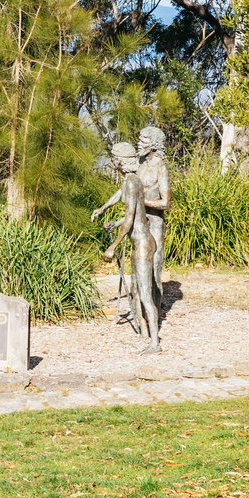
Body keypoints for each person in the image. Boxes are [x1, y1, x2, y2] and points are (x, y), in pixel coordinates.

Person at [101, 142, 161, 353]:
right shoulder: (131, 180)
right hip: (144, 240)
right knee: (140, 290)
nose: (112, 161)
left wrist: (113, 246)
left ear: (120, 161)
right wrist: (104, 209)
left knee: (145, 293)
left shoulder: (132, 182)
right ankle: (146, 333)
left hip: (143, 244)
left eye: (114, 157)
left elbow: (129, 220)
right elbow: (134, 212)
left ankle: (155, 343)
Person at [136, 126, 171, 288]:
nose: (139, 143)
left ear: (154, 144)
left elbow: (165, 203)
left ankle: (156, 307)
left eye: (144, 140)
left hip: (155, 223)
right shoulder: (139, 164)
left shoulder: (160, 166)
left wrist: (141, 201)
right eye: (139, 139)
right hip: (139, 222)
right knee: (139, 267)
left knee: (155, 267)